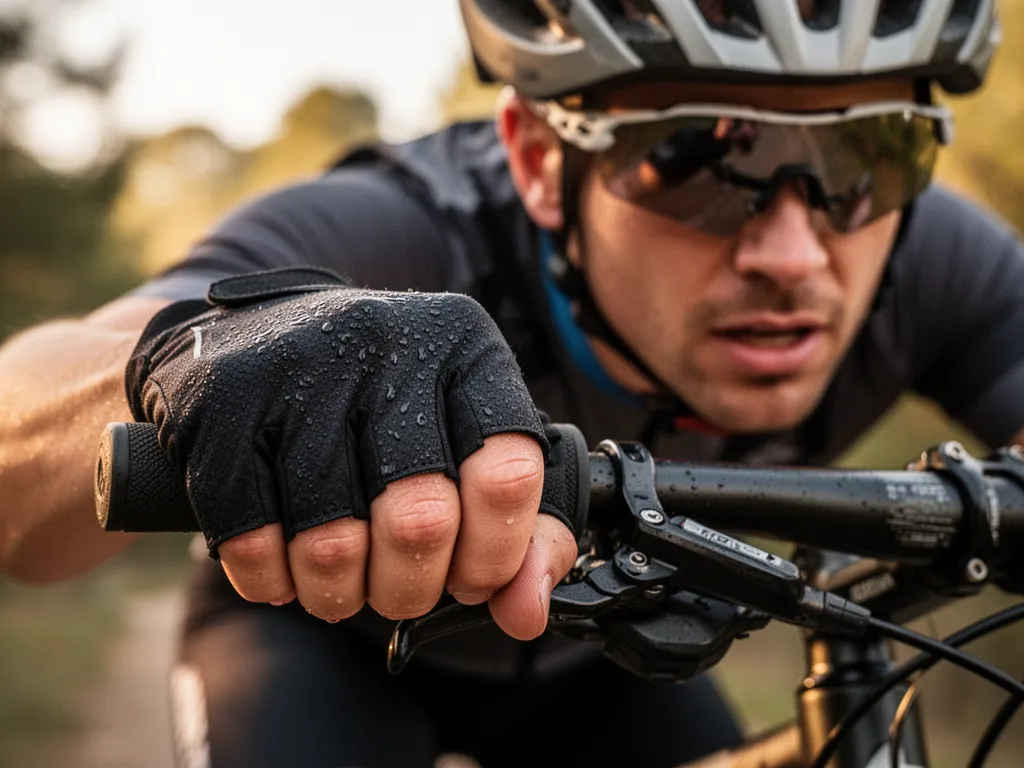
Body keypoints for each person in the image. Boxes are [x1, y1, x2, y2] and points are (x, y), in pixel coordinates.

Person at [1, 1, 1020, 766]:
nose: (795, 254)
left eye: (867, 155)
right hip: (319, 637)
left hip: (605, 658)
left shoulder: (928, 261)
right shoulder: (408, 230)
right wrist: (199, 357)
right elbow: (22, 420)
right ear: (537, 155)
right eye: (700, 157)